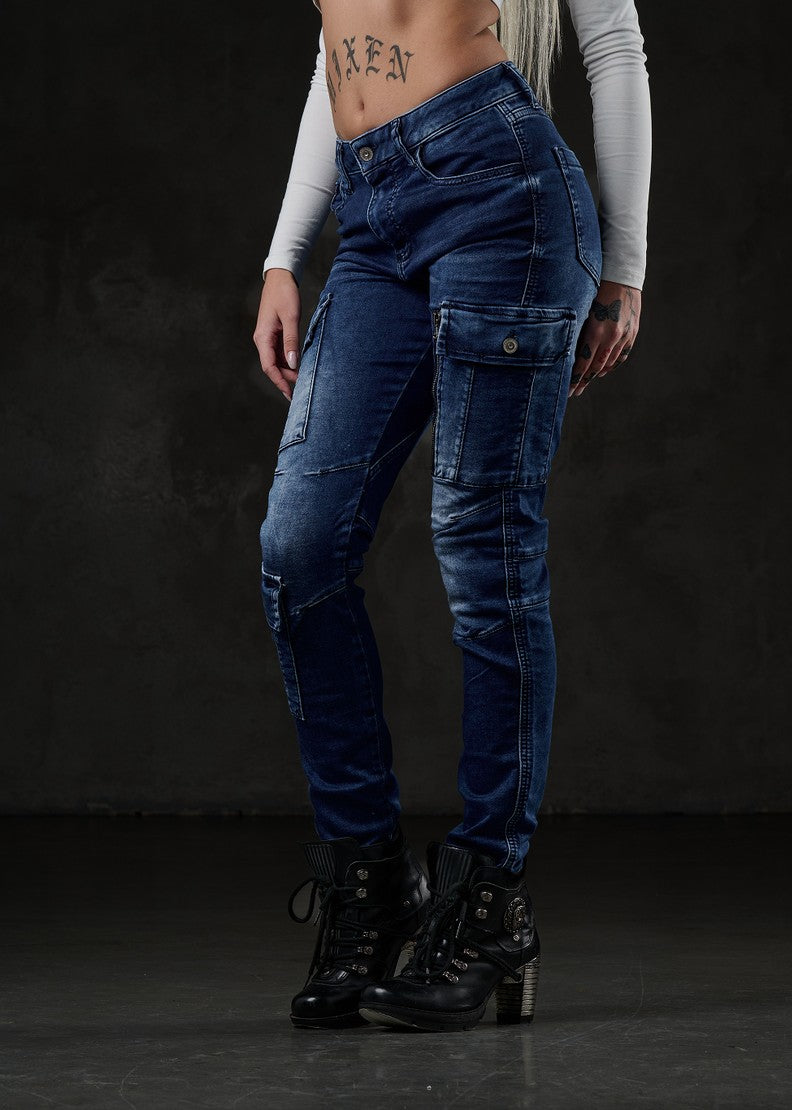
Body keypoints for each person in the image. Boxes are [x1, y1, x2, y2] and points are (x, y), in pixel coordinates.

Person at [253, 0, 651, 1032]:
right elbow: (340, 47)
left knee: (483, 551)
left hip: (500, 193)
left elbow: (611, 40)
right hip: (371, 210)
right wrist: (285, 251)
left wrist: (625, 263)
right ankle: (372, 882)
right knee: (299, 547)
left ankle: (487, 900)